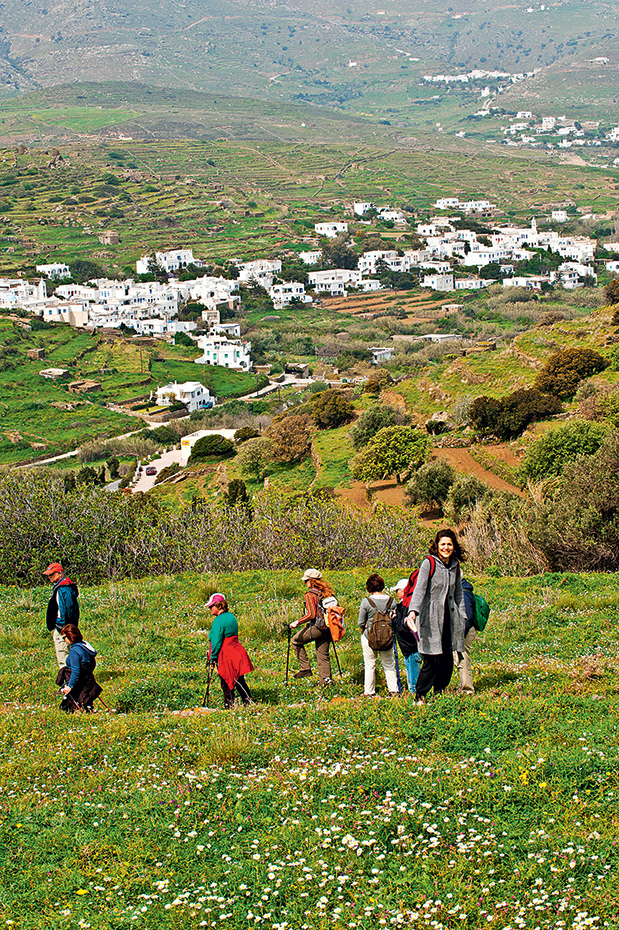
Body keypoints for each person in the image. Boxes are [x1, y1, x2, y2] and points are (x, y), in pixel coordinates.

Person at [406, 529, 466, 704]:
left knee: (447, 661)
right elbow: (419, 590)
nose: (446, 547)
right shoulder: (429, 563)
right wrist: (412, 612)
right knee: (431, 659)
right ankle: (420, 695)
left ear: (453, 546)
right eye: (443, 544)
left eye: (449, 544)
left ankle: (439, 693)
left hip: (450, 620)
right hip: (430, 619)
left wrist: (462, 615)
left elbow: (458, 594)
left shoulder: (455, 566)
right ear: (437, 546)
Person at [206, 593, 254, 708]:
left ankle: (229, 706)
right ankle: (248, 702)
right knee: (239, 680)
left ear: (219, 606)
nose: (210, 608)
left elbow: (216, 641)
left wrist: (212, 657)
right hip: (236, 651)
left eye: (212, 606)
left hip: (226, 654)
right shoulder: (231, 617)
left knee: (226, 682)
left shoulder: (218, 621)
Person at [358, 573, 399, 698]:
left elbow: (361, 622)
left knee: (370, 664)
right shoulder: (391, 601)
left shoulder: (366, 602)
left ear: (369, 587)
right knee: (389, 664)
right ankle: (394, 690)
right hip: (387, 636)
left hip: (370, 636)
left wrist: (363, 631)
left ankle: (369, 691)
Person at [290, 569, 333, 685]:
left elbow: (311, 615)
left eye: (306, 581)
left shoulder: (310, 595)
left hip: (317, 627)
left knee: (295, 641)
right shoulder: (326, 592)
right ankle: (326, 681)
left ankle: (305, 669)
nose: (305, 583)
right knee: (323, 655)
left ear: (311, 581)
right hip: (329, 627)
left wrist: (297, 622)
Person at [43, 562, 80, 670]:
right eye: (48, 575)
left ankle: (67, 679)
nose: (49, 577)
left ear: (60, 573)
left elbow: (65, 611)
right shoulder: (64, 586)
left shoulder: (64, 589)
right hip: (67, 628)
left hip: (63, 629)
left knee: (63, 656)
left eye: (52, 574)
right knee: (69, 655)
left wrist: (61, 629)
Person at [57, 624, 101, 713]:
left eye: (64, 637)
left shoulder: (74, 652)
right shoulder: (85, 646)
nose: (64, 640)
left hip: (79, 683)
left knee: (65, 708)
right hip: (89, 681)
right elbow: (92, 664)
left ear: (70, 636)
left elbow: (75, 672)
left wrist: (70, 686)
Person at [392, 578, 422, 693]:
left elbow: (403, 627)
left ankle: (416, 695)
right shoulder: (410, 605)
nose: (396, 593)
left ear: (404, 590)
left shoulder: (406, 606)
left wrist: (394, 619)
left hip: (411, 647)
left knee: (413, 681)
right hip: (410, 647)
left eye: (398, 590)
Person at [454, 576, 477, 694]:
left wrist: (461, 634)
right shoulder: (465, 590)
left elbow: (467, 616)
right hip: (465, 629)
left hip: (464, 630)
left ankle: (467, 688)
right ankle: (464, 685)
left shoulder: (463, 593)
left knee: (462, 658)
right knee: (461, 658)